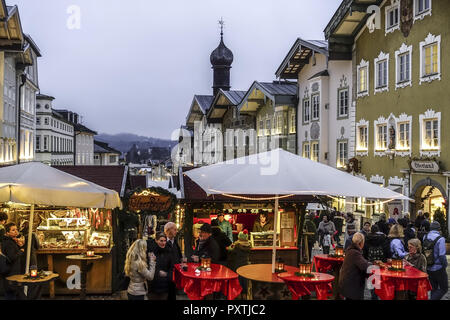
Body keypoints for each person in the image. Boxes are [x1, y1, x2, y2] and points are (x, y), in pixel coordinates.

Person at [338, 233, 371, 300]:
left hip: (348, 284)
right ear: (361, 243)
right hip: (352, 286)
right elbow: (365, 266)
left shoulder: (351, 250)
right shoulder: (355, 252)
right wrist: (373, 265)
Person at [423, 221, 448, 300]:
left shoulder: (425, 237)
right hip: (438, 267)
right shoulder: (441, 239)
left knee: (434, 288)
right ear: (439, 229)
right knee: (444, 288)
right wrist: (444, 265)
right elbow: (441, 255)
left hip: (429, 267)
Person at [1, 223, 25, 300]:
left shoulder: (10, 241)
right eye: (13, 230)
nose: (16, 231)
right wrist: (21, 251)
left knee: (12, 293)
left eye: (16, 229)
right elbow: (12, 257)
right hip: (11, 273)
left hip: (11, 272)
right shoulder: (8, 243)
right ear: (7, 233)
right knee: (11, 293)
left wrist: (19, 245)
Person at [148, 232, 174, 300]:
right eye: (161, 241)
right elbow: (148, 267)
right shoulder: (151, 251)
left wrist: (167, 274)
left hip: (165, 286)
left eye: (165, 240)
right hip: (153, 285)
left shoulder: (168, 252)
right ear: (156, 240)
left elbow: (171, 267)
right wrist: (158, 272)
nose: (163, 243)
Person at [227, 230, 252, 298]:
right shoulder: (249, 245)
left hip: (237, 266)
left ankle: (238, 295)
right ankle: (245, 296)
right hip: (245, 266)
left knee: (238, 282)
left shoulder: (236, 245)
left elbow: (229, 250)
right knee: (245, 282)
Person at [164, 222, 182, 301]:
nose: (176, 231)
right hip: (166, 274)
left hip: (175, 273)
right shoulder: (163, 242)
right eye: (174, 229)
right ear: (168, 230)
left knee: (173, 294)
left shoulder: (175, 242)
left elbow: (179, 255)